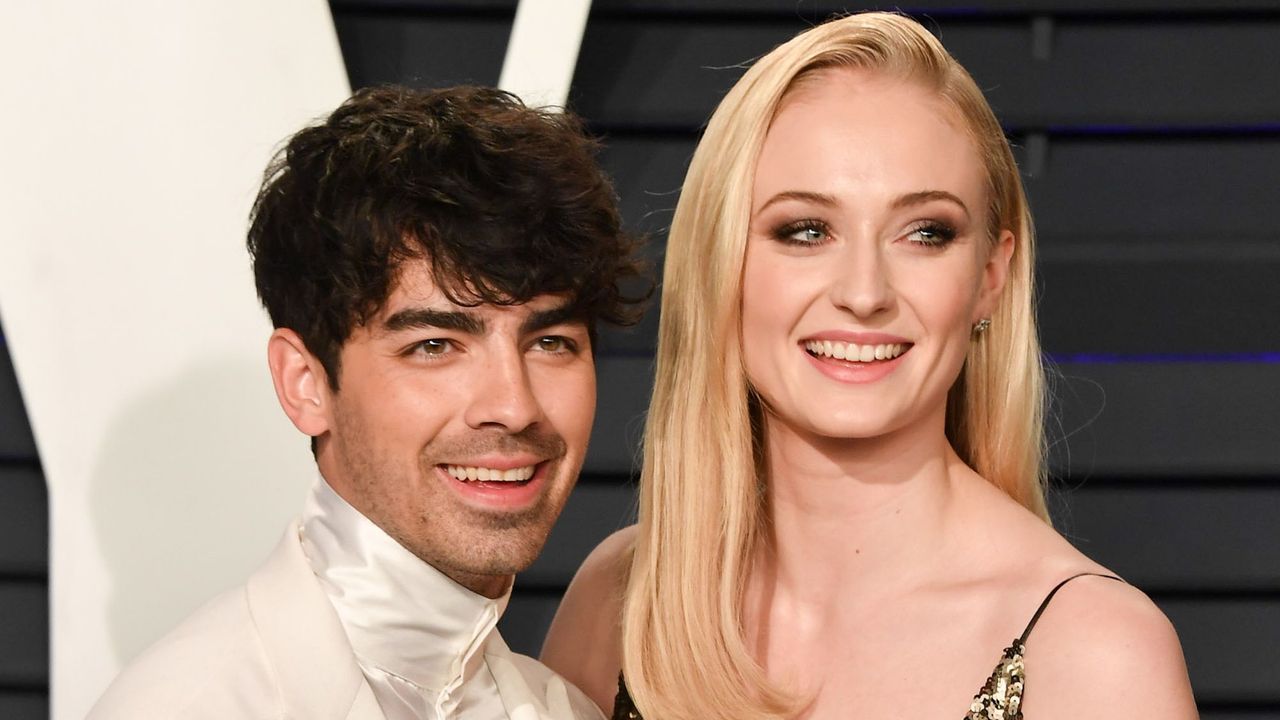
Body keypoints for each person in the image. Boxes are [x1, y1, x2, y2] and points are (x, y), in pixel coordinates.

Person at [542, 12, 1198, 720]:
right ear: (719, 261)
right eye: (805, 230)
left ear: (990, 275)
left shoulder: (1096, 655)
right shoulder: (624, 603)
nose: (864, 293)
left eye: (925, 234)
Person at [89, 85, 647, 720]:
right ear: (304, 383)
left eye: (549, 341)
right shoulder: (195, 705)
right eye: (435, 345)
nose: (514, 406)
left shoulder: (561, 708)